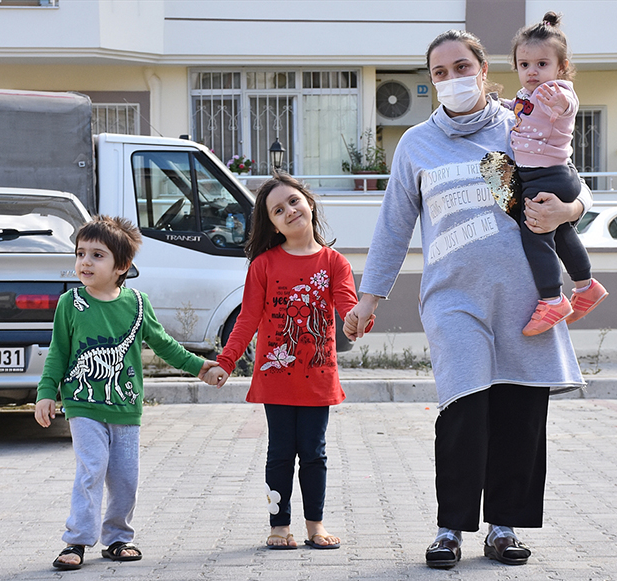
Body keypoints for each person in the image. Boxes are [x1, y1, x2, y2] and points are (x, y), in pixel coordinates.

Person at [345, 30, 587, 569]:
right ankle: (450, 528)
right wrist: (369, 298)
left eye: (461, 67)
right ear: (431, 82)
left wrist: (568, 214)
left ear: (483, 70)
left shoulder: (522, 122)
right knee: (464, 406)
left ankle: (503, 528)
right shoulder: (415, 145)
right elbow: (392, 227)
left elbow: (573, 183)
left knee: (519, 410)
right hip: (454, 300)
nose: (451, 79)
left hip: (527, 297)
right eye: (439, 73)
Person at [34, 215, 215, 570]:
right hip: (82, 403)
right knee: (92, 468)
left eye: (97, 255)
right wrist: (45, 392)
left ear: (123, 266)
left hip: (125, 406)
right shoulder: (71, 304)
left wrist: (199, 366)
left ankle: (117, 537)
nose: (85, 261)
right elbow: (57, 352)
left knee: (125, 476)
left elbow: (162, 344)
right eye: (81, 253)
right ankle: (77, 541)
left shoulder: (137, 303)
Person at [205, 173, 372, 551]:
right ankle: (279, 526)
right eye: (278, 210)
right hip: (275, 380)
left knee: (314, 453)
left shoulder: (334, 263)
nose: (289, 211)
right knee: (279, 454)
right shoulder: (263, 265)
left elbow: (348, 308)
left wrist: (359, 317)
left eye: (293, 201)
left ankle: (316, 525)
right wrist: (226, 362)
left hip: (318, 379)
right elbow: (247, 319)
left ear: (309, 203)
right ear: (273, 224)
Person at [509, 11, 608, 336]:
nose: (532, 72)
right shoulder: (528, 95)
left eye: (542, 64)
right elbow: (523, 110)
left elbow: (567, 104)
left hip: (548, 176)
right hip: (549, 176)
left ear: (561, 67)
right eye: (525, 65)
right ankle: (586, 285)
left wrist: (559, 102)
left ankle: (552, 299)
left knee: (535, 236)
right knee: (562, 233)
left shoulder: (556, 92)